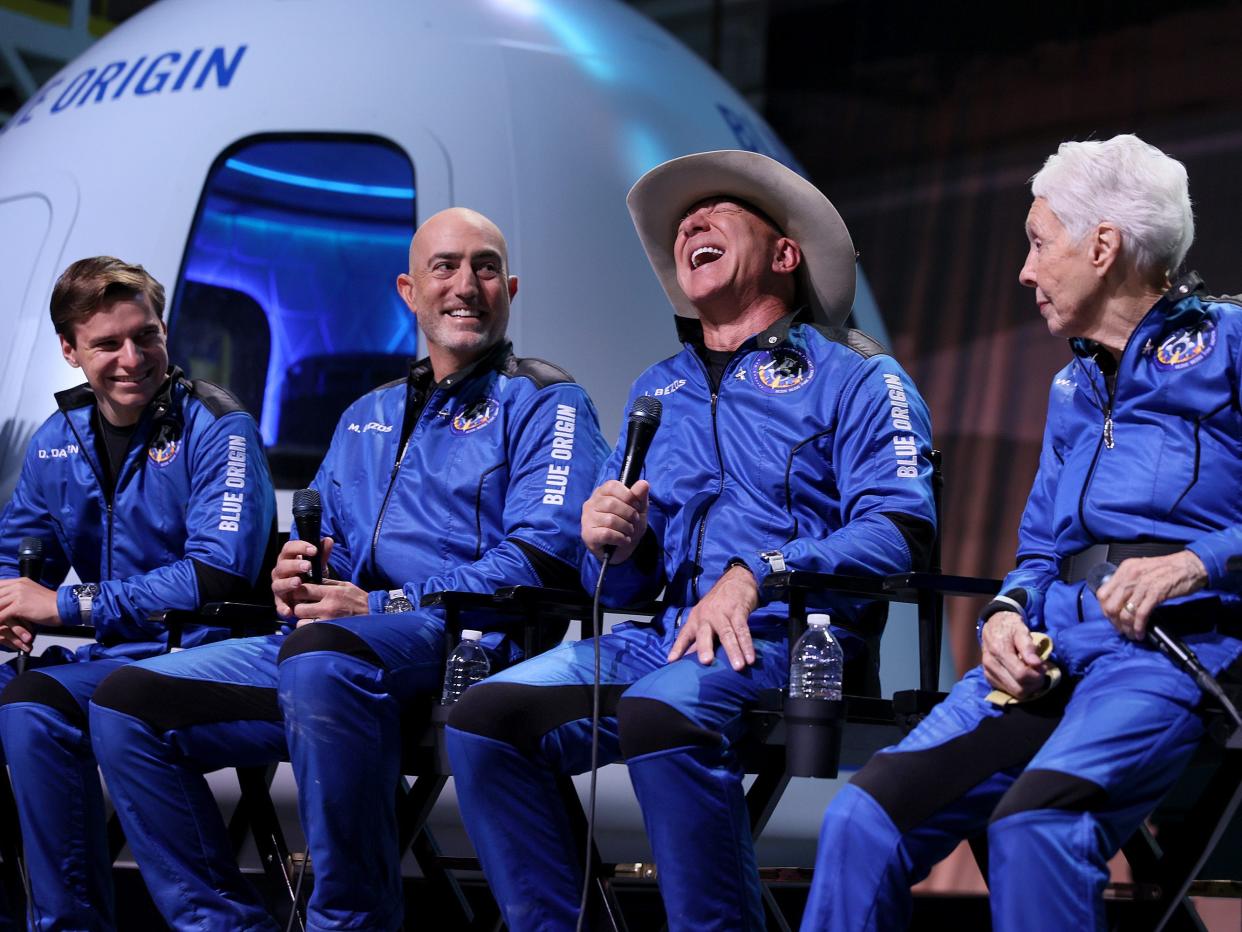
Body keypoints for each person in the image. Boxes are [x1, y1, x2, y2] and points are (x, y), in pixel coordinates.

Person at [446, 151, 937, 930]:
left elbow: (900, 532)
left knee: (661, 712)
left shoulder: (857, 377)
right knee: (484, 719)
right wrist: (618, 542)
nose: (690, 225)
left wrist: (762, 574)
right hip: (667, 641)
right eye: (682, 223)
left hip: (785, 639)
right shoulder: (656, 389)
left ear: (785, 254)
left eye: (719, 211)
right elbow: (626, 585)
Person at [89, 208, 608, 931]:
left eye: (485, 267)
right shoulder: (368, 413)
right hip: (332, 648)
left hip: (464, 645)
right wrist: (290, 576)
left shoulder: (548, 401)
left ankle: (350, 922)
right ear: (408, 290)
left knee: (323, 655)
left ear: (510, 288)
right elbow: (321, 548)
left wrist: (383, 607)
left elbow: (541, 561)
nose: (467, 284)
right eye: (445, 267)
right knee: (125, 701)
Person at [802, 134, 1242, 931]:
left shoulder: (1231, 343)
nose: (1025, 270)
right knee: (860, 820)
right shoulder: (1072, 385)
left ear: (1103, 246)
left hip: (1173, 652)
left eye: (1040, 243)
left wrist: (1196, 562)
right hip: (1053, 648)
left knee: (1036, 826)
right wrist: (1006, 613)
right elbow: (1039, 549)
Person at [0, 256, 276, 930]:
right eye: (107, 343)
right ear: (69, 351)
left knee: (49, 702)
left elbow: (218, 575)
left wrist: (64, 606)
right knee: (26, 704)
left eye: (146, 335)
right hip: (117, 665)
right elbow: (11, 561)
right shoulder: (57, 439)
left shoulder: (219, 426)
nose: (133, 357)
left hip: (210, 660)